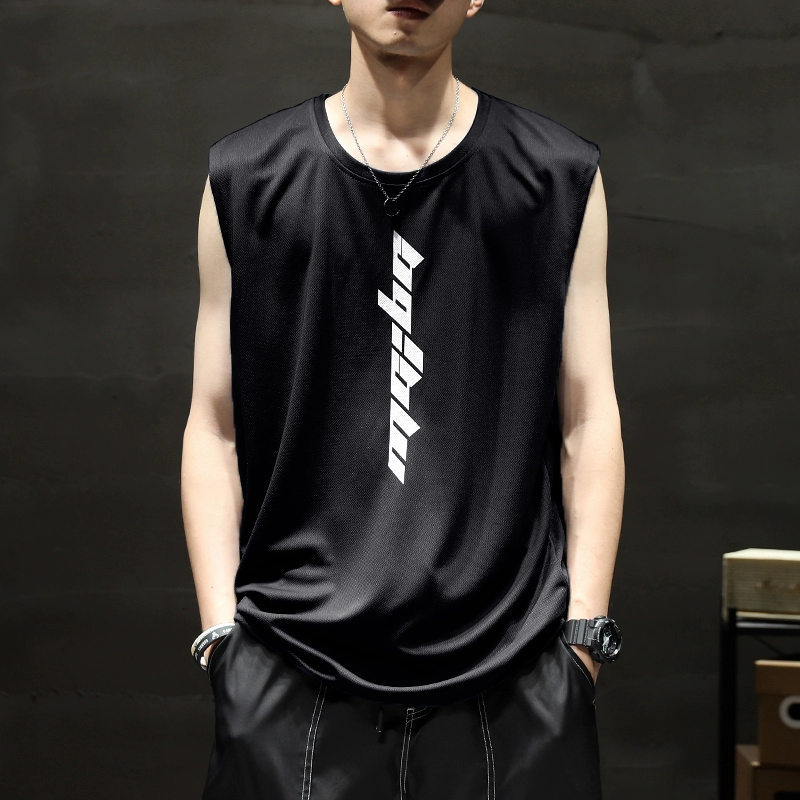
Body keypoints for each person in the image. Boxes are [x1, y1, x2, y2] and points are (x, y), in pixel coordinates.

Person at [181, 0, 625, 797]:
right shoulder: (245, 178)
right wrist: (222, 640)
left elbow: (589, 419)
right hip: (291, 679)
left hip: (513, 685)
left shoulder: (556, 177)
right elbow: (214, 427)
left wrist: (582, 642)